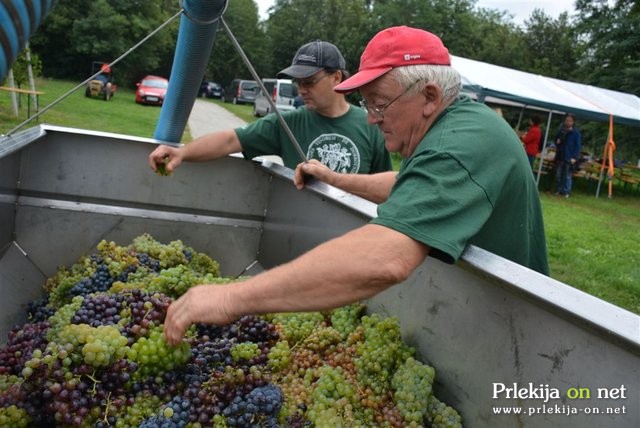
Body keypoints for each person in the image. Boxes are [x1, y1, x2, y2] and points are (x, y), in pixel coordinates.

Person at [163, 26, 549, 345]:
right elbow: (409, 184)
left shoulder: (457, 146)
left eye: (378, 104)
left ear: (429, 96)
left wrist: (231, 297)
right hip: (483, 316)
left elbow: (386, 259)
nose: (371, 119)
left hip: (508, 331)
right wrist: (334, 178)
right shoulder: (461, 125)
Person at [148, 40, 391, 175]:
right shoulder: (288, 123)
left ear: (336, 77)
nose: (301, 90)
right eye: (298, 83)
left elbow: (383, 187)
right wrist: (181, 153)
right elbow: (229, 141)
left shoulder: (370, 125)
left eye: (309, 82)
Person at [553, 113, 582, 197]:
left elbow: (577, 146)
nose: (568, 122)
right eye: (566, 120)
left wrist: (574, 157)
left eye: (570, 121)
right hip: (560, 155)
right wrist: (557, 142)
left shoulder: (576, 133)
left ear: (573, 122)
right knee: (558, 175)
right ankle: (559, 190)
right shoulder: (561, 130)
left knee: (567, 176)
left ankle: (566, 191)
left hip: (569, 157)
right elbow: (556, 141)